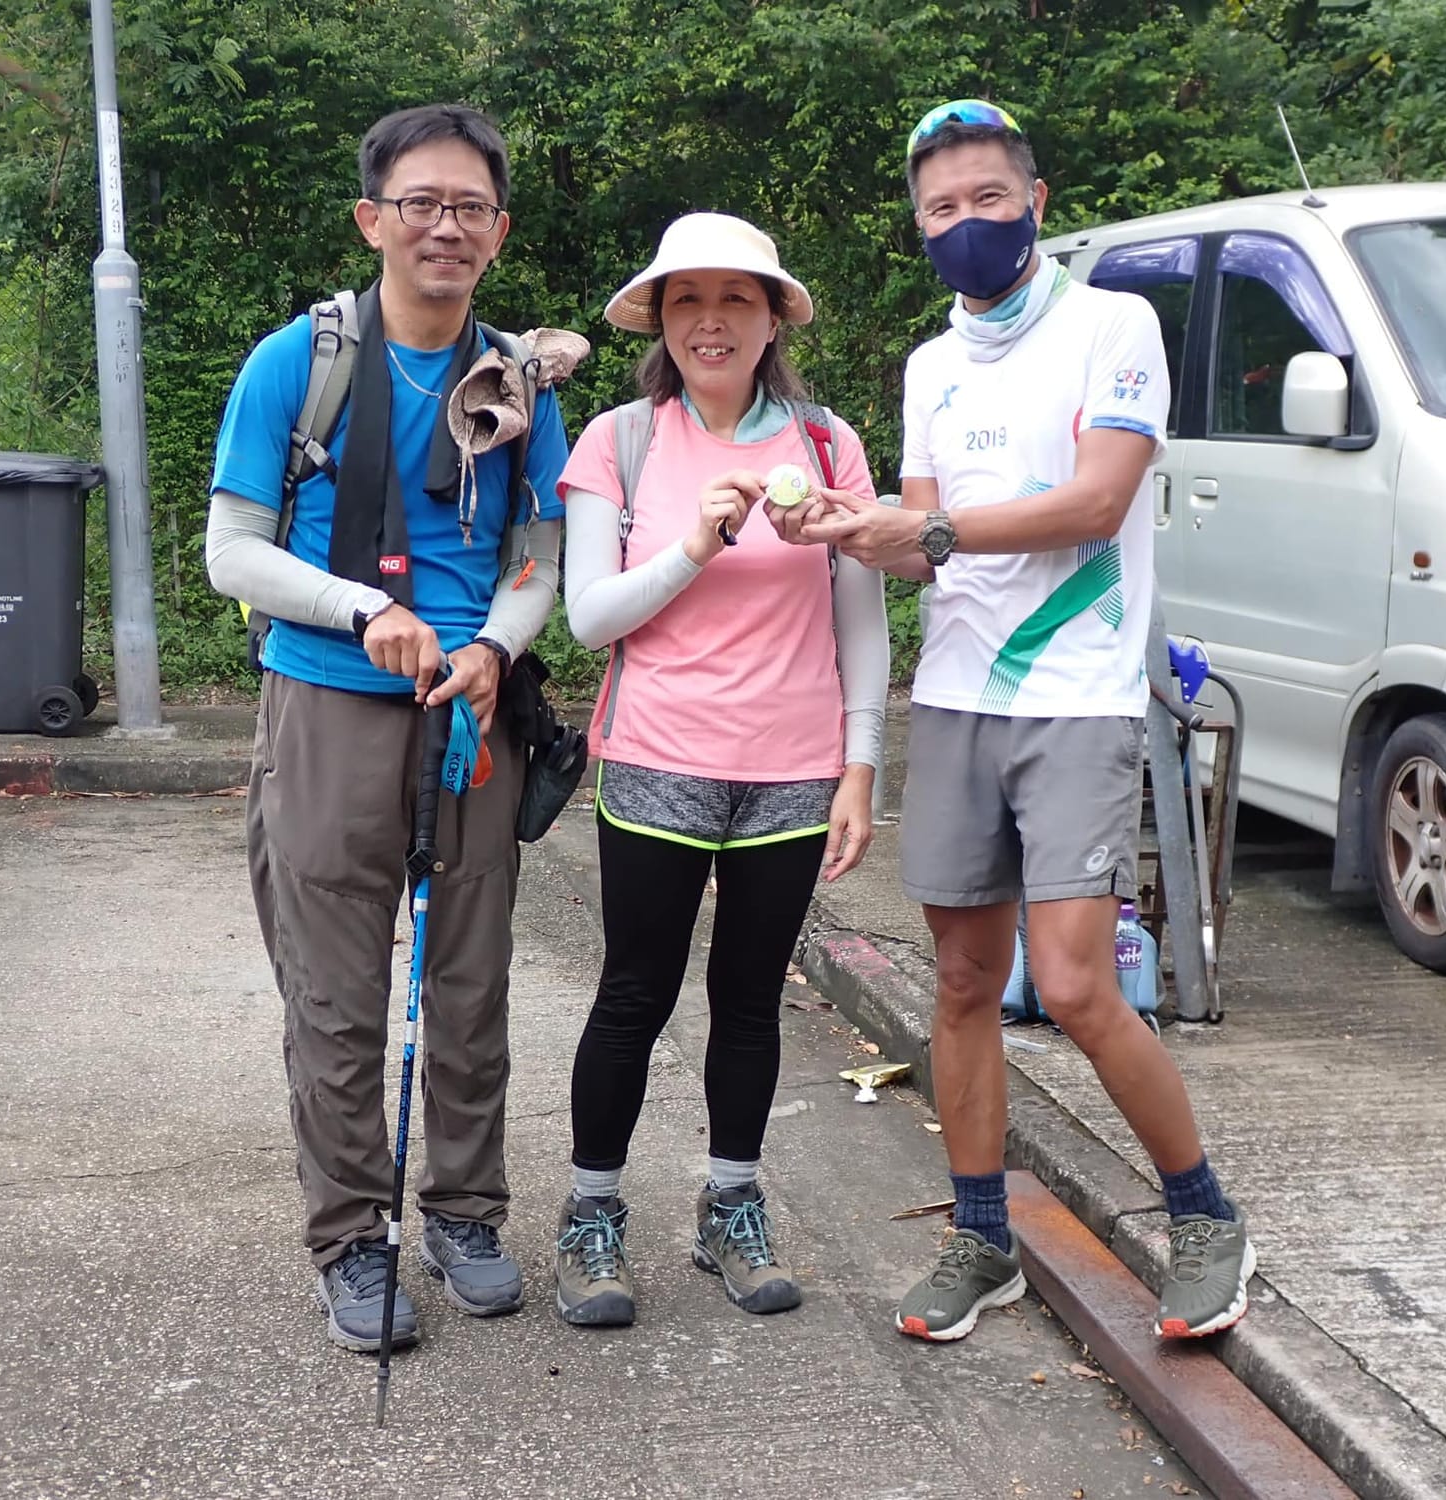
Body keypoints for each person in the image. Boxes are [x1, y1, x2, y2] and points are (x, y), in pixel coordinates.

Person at [795, 101, 1255, 1343]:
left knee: (1072, 983)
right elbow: (921, 550)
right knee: (958, 981)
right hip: (953, 699)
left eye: (986, 200)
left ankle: (1205, 1219)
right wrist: (840, 531)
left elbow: (1097, 502)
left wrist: (923, 531)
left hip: (1077, 698)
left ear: (1035, 204)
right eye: (939, 210)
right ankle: (980, 1238)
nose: (963, 226)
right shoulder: (928, 366)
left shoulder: (1114, 326)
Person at [204, 104, 570, 1350]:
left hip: (471, 712)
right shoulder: (291, 363)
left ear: (498, 231)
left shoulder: (514, 377)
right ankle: (352, 1237)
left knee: (470, 984)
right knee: (334, 993)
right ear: (374, 219)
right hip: (327, 707)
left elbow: (537, 559)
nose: (445, 227)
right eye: (420, 203)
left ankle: (467, 1212)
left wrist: (491, 649)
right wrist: (366, 608)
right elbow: (231, 554)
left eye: (469, 207)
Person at [549, 212, 890, 1326]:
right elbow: (590, 618)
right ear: (658, 319)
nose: (709, 319)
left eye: (733, 297)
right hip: (657, 756)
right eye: (685, 298)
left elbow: (861, 619)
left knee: (749, 1002)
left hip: (791, 769)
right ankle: (591, 1216)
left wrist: (860, 766)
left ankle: (730, 1206)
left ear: (769, 317)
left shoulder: (829, 446)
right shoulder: (620, 442)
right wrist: (691, 546)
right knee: (633, 995)